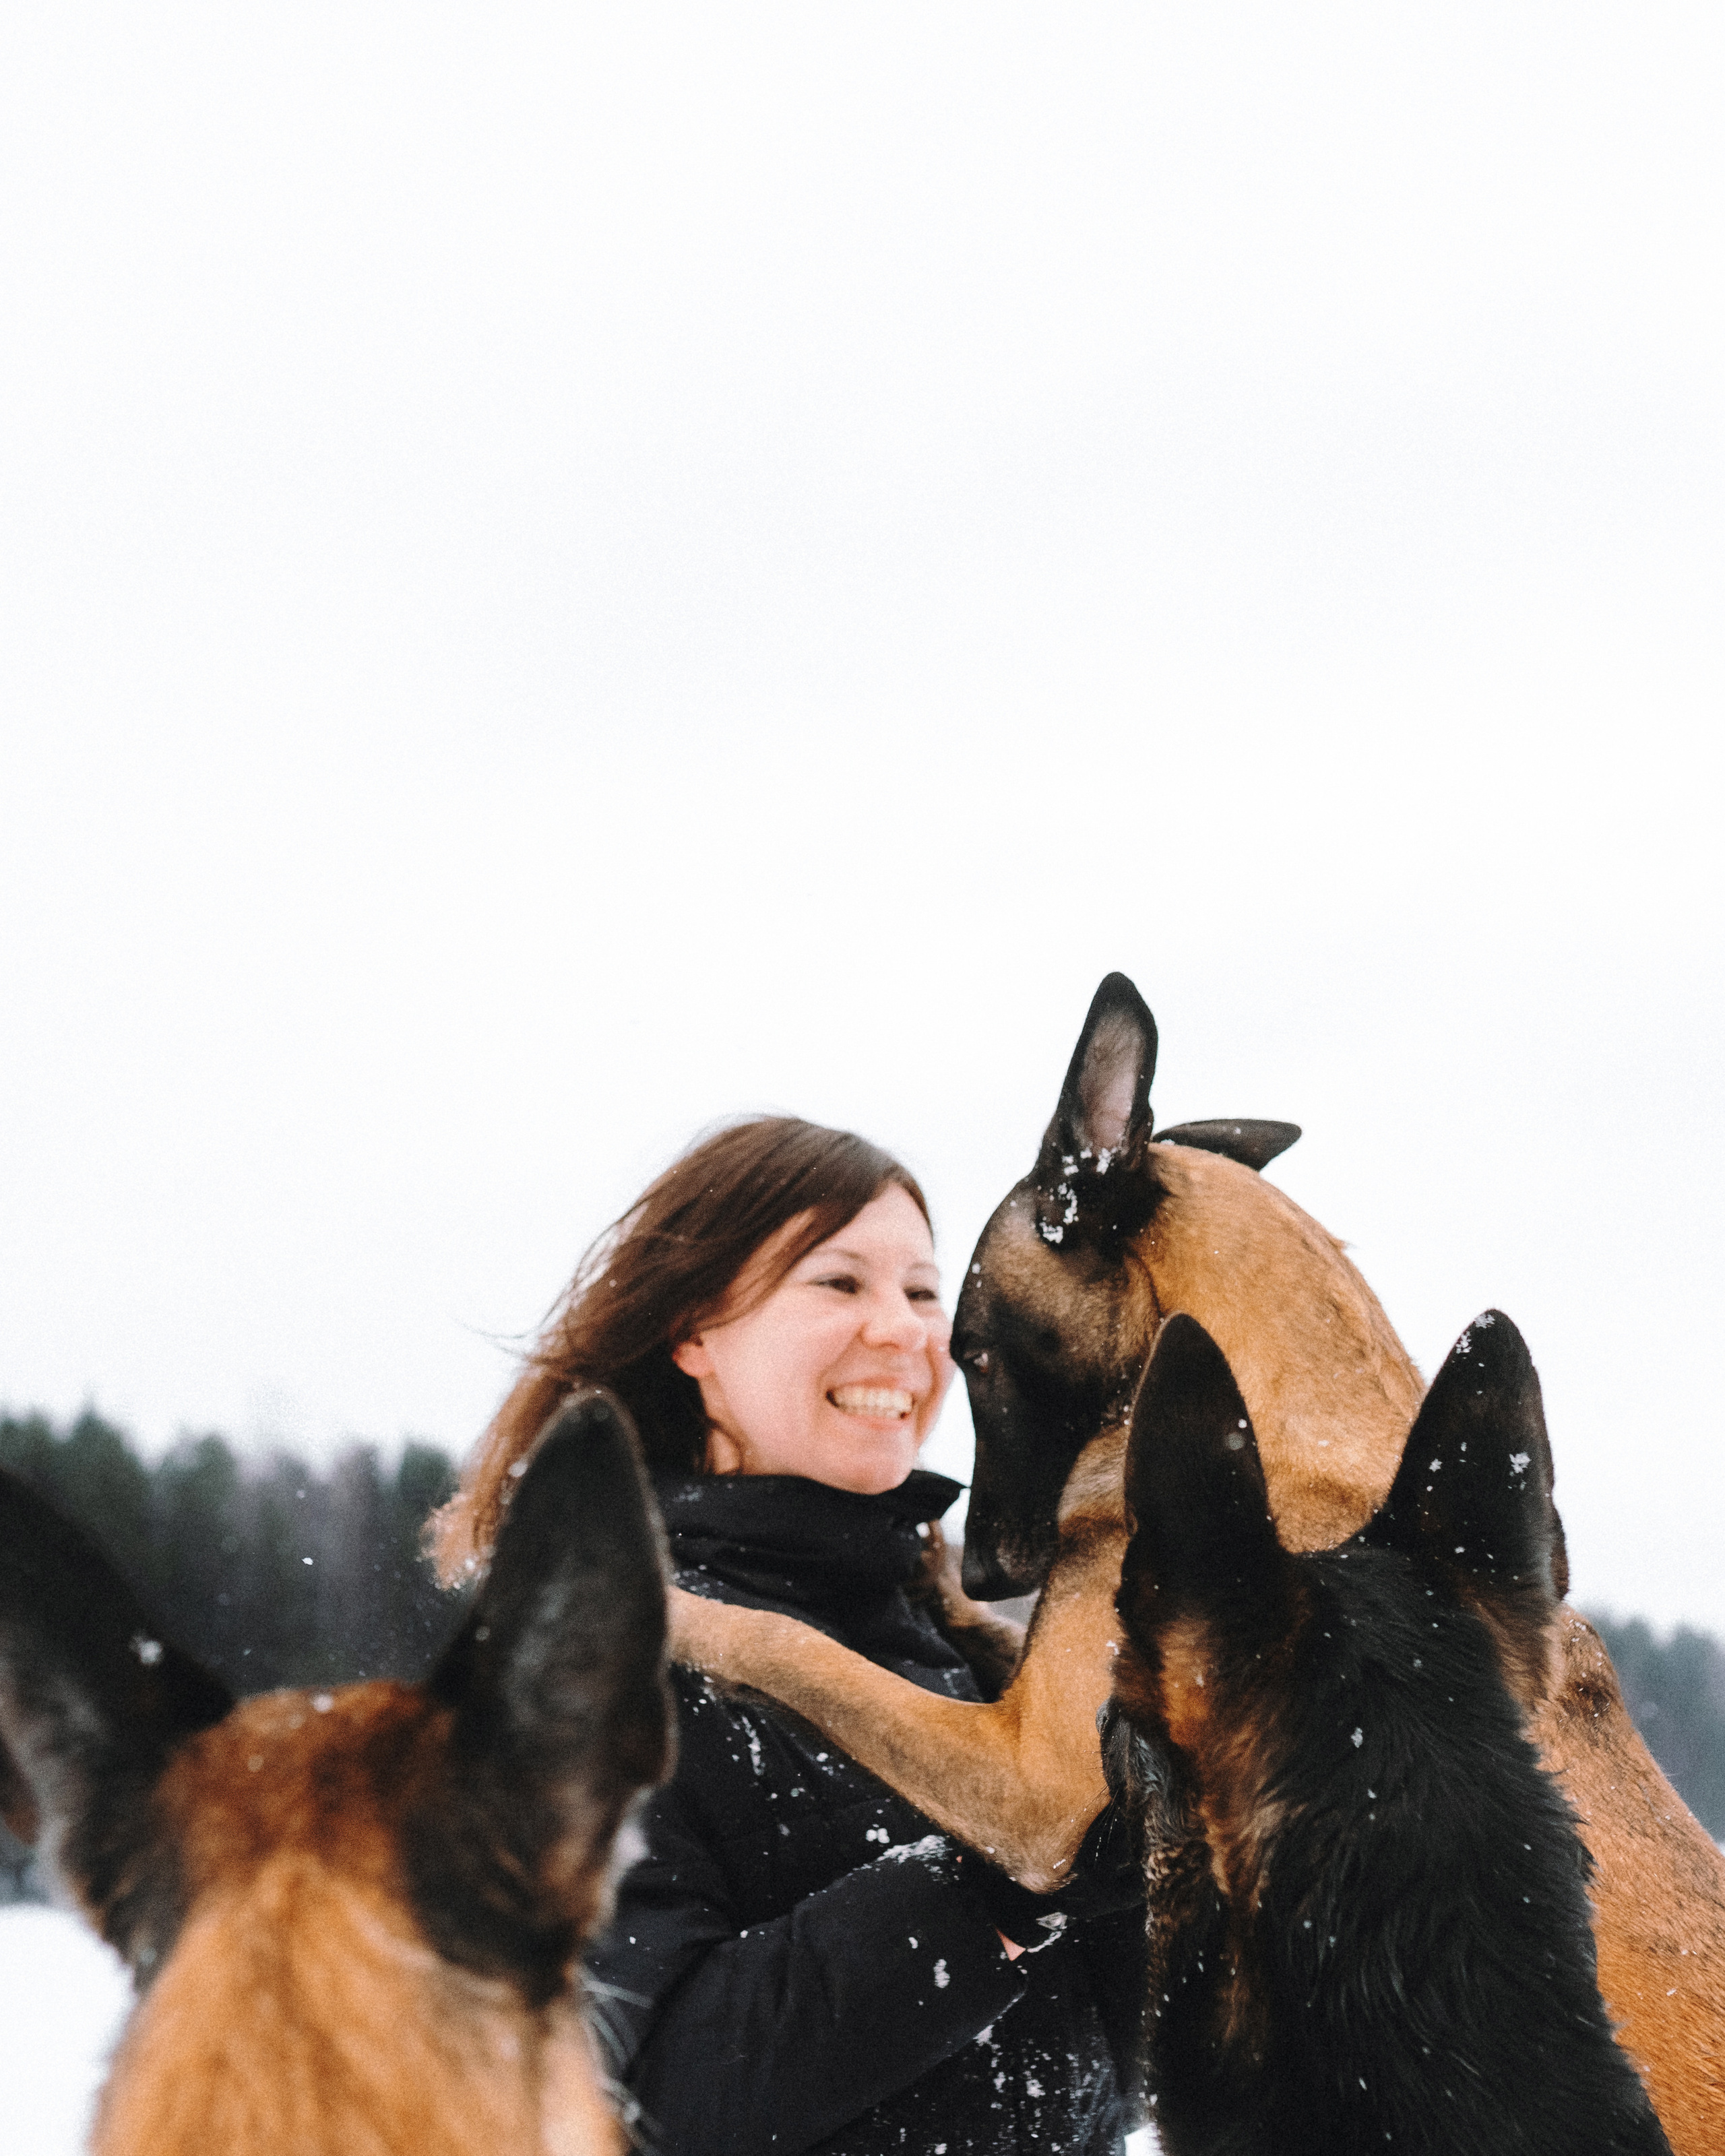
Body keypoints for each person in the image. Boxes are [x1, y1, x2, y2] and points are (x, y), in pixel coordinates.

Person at [431, 1116, 1138, 2155]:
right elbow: (635, 2102)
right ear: (693, 1334)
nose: (903, 1331)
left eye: (923, 1291)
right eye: (840, 1284)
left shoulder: (973, 1665)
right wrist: (987, 1883)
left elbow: (1119, 2073)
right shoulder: (600, 1673)